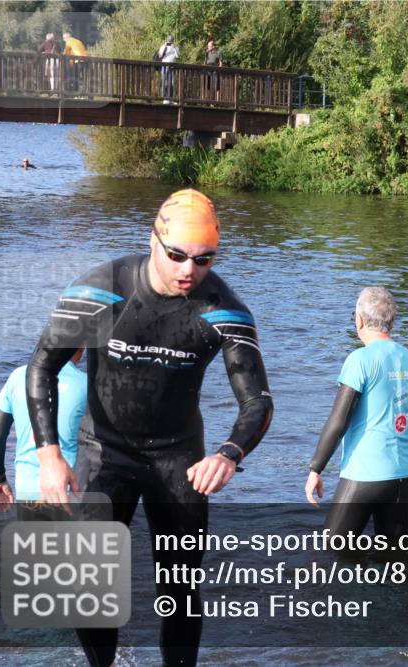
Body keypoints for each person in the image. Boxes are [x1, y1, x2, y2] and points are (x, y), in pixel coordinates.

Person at [27, 188, 273, 667]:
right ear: (153, 241)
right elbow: (41, 368)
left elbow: (258, 402)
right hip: (105, 451)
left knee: (179, 586)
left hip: (178, 458)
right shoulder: (104, 288)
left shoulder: (223, 309)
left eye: (203, 260)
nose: (188, 270)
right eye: (177, 255)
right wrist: (49, 456)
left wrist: (228, 454)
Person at [304, 287, 408, 543]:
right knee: (394, 557)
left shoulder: (359, 360)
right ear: (391, 321)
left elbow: (338, 420)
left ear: (359, 319)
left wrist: (315, 469)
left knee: (332, 551)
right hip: (401, 477)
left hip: (363, 476)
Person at [0, 347, 86, 515]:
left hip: (28, 492)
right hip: (70, 489)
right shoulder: (86, 384)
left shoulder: (18, 376)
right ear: (82, 349)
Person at [157, 35, 180, 103]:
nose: (169, 42)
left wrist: (174, 47)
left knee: (172, 83)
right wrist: (165, 46)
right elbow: (160, 55)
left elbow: (178, 56)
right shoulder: (163, 47)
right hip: (164, 66)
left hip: (172, 67)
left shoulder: (175, 47)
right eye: (169, 40)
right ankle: (165, 98)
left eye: (171, 40)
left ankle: (170, 98)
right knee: (164, 81)